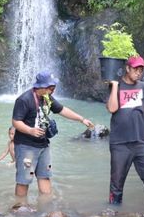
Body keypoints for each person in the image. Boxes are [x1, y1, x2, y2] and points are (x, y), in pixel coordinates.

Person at [11, 71, 93, 200]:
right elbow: (16, 122)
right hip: (26, 145)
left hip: (43, 144)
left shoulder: (47, 97)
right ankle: (20, 208)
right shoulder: (24, 100)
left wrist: (81, 119)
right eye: (51, 88)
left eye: (53, 88)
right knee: (24, 180)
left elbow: (62, 110)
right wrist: (30, 130)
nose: (53, 90)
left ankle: (46, 206)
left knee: (45, 175)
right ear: (41, 87)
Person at [107, 55, 144, 205]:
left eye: (141, 69)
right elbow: (112, 108)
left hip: (142, 142)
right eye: (135, 69)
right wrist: (115, 85)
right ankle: (114, 215)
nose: (139, 72)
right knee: (116, 185)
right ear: (127, 68)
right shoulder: (115, 86)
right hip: (120, 144)